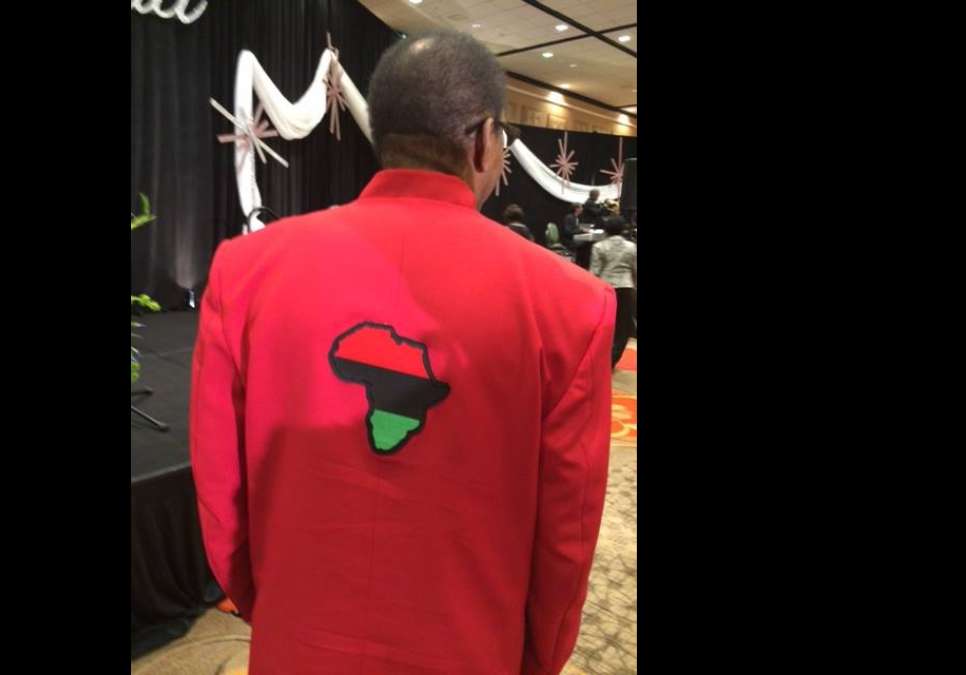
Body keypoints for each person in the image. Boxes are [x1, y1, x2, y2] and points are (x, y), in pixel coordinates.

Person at [191, 29, 615, 675]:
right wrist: (534, 656)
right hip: (473, 649)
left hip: (297, 639)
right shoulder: (571, 304)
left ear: (381, 136)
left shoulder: (245, 270)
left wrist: (271, 605)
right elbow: (568, 533)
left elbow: (221, 493)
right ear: (484, 140)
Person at [590, 215, 637, 369]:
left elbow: (594, 273)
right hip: (626, 288)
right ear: (623, 229)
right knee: (623, 328)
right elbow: (635, 270)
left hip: (606, 289)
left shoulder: (598, 246)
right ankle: (612, 360)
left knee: (602, 325)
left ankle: (598, 357)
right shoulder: (631, 247)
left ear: (606, 229)